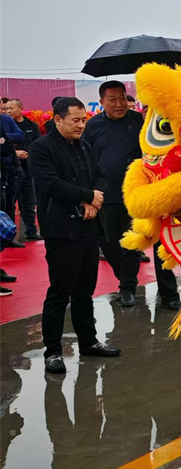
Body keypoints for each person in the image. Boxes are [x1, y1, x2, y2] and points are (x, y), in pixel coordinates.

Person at [28, 97, 121, 374]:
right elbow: (51, 184)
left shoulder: (84, 146)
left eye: (84, 120)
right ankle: (53, 352)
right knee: (59, 293)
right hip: (61, 230)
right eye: (75, 120)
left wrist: (95, 198)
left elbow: (101, 174)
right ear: (58, 119)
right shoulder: (41, 148)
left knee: (85, 291)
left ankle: (88, 341)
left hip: (89, 228)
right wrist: (87, 196)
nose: (81, 125)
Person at [83, 80, 181, 310]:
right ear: (102, 102)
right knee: (110, 243)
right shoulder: (93, 126)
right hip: (106, 194)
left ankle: (133, 288)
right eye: (112, 100)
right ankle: (125, 279)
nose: (119, 104)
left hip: (139, 194)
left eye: (122, 98)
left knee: (140, 242)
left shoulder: (141, 122)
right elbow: (86, 158)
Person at [6, 98, 42, 240]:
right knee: (10, 203)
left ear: (21, 109)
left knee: (29, 202)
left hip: (28, 170)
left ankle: (31, 231)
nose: (8, 111)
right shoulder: (5, 126)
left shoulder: (32, 125)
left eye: (11, 108)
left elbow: (38, 145)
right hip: (11, 170)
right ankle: (9, 234)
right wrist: (15, 153)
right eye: (6, 108)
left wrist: (30, 155)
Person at [0, 108, 25, 247]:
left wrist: (5, 138)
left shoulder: (6, 120)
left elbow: (19, 137)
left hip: (8, 168)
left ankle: (9, 237)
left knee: (9, 202)